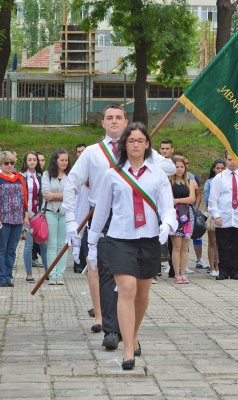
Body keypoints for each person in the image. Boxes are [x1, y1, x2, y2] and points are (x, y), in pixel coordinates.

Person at [63, 104, 175, 351]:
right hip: (103, 217)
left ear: (126, 123)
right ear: (102, 123)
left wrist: (142, 154)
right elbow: (72, 183)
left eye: (118, 118)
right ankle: (111, 329)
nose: (114, 122)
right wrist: (71, 221)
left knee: (135, 284)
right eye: (109, 118)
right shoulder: (92, 152)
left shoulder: (141, 148)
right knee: (106, 274)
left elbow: (169, 168)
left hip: (139, 218)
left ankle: (130, 331)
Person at [87, 122, 176, 370]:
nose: (135, 145)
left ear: (147, 144)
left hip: (149, 239)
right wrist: (92, 243)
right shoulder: (112, 174)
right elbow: (102, 210)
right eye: (131, 140)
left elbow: (168, 207)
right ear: (124, 144)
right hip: (119, 238)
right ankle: (128, 350)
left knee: (142, 293)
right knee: (126, 289)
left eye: (140, 140)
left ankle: (133, 334)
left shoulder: (157, 174)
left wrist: (167, 225)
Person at [208, 153, 238, 280]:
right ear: (225, 160)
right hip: (224, 216)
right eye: (229, 159)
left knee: (237, 246)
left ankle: (235, 270)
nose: (232, 162)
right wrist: (216, 215)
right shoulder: (219, 178)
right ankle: (223, 270)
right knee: (223, 245)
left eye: (235, 160)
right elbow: (213, 199)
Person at [0, 151, 29, 287]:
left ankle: (8, 276)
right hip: (3, 218)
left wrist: (25, 215)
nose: (9, 165)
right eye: (6, 163)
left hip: (18, 219)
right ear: (0, 164)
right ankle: (0, 277)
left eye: (12, 163)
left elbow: (25, 197)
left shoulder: (19, 178)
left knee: (12, 249)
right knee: (1, 249)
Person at [42, 149, 70, 284]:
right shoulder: (47, 175)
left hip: (66, 213)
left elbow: (72, 195)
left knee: (63, 245)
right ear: (56, 161)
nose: (65, 162)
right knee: (52, 245)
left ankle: (60, 274)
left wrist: (54, 196)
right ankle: (52, 274)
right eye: (62, 160)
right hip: (50, 212)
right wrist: (61, 196)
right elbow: (45, 193)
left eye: (66, 160)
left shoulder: (71, 175)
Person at [169, 156, 197, 283]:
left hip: (188, 215)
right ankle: (176, 274)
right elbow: (168, 199)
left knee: (185, 247)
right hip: (175, 215)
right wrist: (176, 201)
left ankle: (183, 272)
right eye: (177, 166)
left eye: (181, 166)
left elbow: (192, 199)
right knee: (177, 246)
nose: (179, 169)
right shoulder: (169, 182)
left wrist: (178, 200)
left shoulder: (190, 181)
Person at [21, 151, 47, 283]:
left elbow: (43, 195)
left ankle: (47, 272)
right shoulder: (21, 176)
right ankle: (29, 274)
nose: (32, 162)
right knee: (28, 244)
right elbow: (21, 197)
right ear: (25, 161)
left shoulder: (41, 176)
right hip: (27, 214)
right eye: (29, 159)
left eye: (34, 160)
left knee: (43, 242)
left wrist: (41, 212)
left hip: (39, 213)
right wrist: (27, 213)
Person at [203, 159, 225, 277]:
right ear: (214, 169)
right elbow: (207, 199)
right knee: (212, 241)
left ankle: (219, 265)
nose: (220, 170)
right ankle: (212, 267)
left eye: (222, 168)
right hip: (213, 213)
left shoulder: (227, 181)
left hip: (225, 213)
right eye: (218, 168)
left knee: (222, 242)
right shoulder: (209, 182)